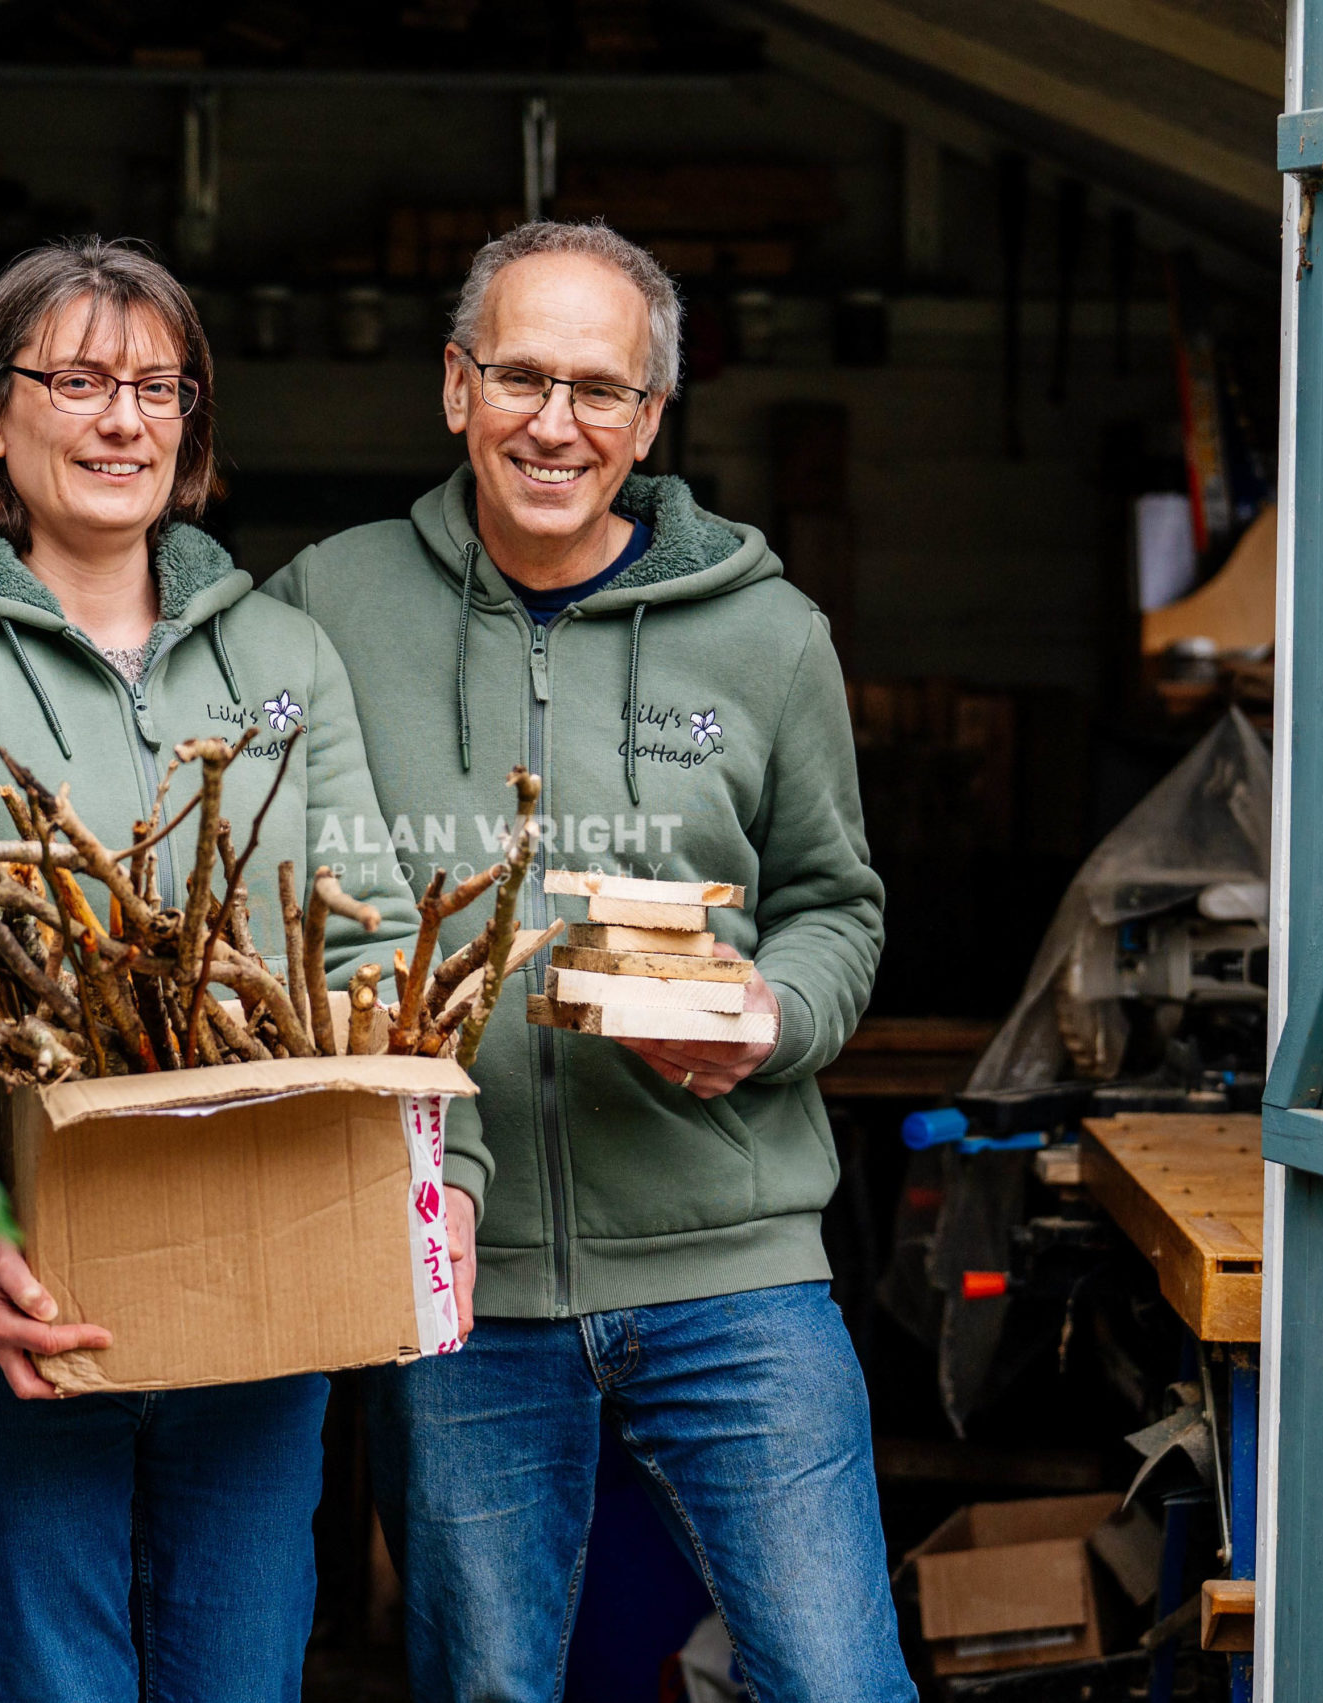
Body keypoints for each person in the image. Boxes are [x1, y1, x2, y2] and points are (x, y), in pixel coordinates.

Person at [265, 221, 905, 1703]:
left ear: (650, 419)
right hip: (453, 1277)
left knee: (834, 1680)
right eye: (520, 377)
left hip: (734, 1270)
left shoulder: (767, 636)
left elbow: (837, 903)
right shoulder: (323, 605)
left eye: (599, 390)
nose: (555, 424)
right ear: (453, 387)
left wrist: (776, 1014)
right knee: (488, 1687)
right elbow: (127, 593)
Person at [0, 236, 428, 1703]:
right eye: (82, 380)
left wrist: (442, 1181)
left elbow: (363, 933)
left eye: (160, 387)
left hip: (261, 1285)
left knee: (241, 1681)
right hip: (31, 1298)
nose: (126, 420)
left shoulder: (283, 653)